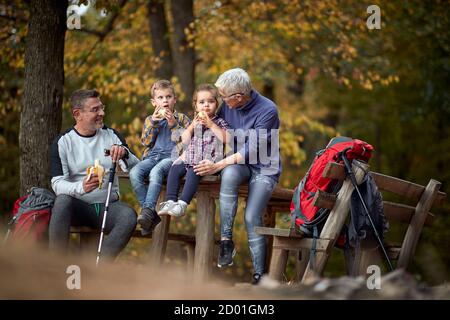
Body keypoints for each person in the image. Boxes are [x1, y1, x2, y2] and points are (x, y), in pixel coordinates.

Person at [194, 68, 281, 284]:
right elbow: (217, 133)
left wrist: (217, 164)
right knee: (229, 174)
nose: (221, 101)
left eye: (223, 97)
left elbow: (251, 150)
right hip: (238, 164)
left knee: (251, 216)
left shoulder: (268, 110)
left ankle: (259, 275)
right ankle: (226, 240)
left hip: (263, 167)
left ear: (239, 97)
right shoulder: (228, 106)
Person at [49, 89, 140, 260]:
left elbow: (137, 167)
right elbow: (57, 183)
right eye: (95, 110)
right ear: (78, 114)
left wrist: (125, 154)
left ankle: (97, 267)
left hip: (107, 207)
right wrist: (81, 187)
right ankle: (56, 265)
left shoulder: (111, 135)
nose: (102, 113)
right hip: (78, 207)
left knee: (128, 216)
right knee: (61, 201)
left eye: (102, 108)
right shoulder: (63, 141)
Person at [158, 84, 230, 217]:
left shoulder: (219, 122)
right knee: (174, 168)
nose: (206, 105)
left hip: (208, 162)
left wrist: (211, 124)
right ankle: (170, 200)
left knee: (194, 171)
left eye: (210, 102)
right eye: (202, 102)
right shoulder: (194, 122)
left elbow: (226, 138)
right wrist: (192, 126)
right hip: (190, 158)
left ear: (217, 104)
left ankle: (182, 204)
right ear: (196, 106)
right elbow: (184, 139)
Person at [129, 80, 191, 235]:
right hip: (152, 156)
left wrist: (173, 124)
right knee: (134, 173)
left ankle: (147, 212)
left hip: (172, 157)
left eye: (168, 97)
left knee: (155, 172)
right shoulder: (150, 119)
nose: (165, 101)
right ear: (154, 102)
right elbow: (145, 142)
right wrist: (154, 124)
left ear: (174, 99)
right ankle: (149, 212)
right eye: (161, 98)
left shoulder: (182, 118)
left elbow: (187, 142)